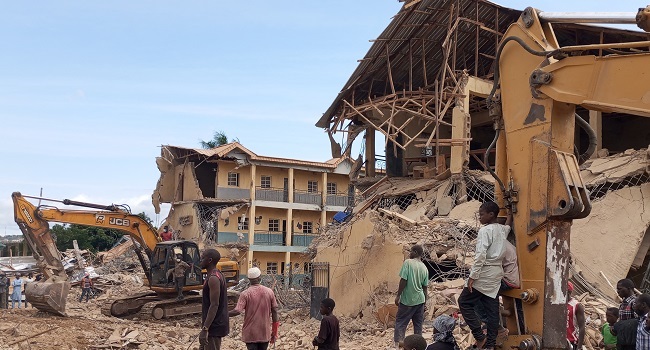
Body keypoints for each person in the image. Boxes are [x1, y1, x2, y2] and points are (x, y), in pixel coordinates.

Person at [458, 201, 509, 350]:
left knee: (464, 302)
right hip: (496, 275)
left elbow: (480, 255)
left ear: (491, 215)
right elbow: (508, 226)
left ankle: (480, 337)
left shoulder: (485, 231)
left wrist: (473, 276)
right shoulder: (502, 229)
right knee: (492, 311)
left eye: (481, 214)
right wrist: (510, 216)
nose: (479, 217)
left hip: (484, 274)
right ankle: (490, 345)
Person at [229, 267, 279, 350]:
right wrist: (274, 331)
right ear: (260, 277)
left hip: (250, 333)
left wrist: (223, 314)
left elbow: (237, 310)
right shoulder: (269, 292)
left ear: (249, 279)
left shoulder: (245, 294)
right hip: (264, 331)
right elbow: (275, 311)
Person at [394, 244, 429, 348]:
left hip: (408, 300)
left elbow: (403, 280)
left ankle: (399, 346)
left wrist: (398, 295)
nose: (410, 253)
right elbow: (425, 287)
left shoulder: (408, 263)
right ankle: (418, 347)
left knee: (401, 323)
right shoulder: (424, 267)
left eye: (411, 251)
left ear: (416, 253)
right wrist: (425, 302)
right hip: (420, 300)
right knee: (418, 326)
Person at [199, 249, 229, 350]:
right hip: (211, 325)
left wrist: (205, 328)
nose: (200, 260)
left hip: (214, 326)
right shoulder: (216, 275)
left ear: (210, 260)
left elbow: (214, 305)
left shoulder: (213, 278)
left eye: (202, 258)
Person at [612, 279, 639, 350]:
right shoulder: (624, 303)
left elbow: (638, 322)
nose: (618, 291)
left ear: (628, 289)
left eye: (620, 289)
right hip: (623, 340)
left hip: (630, 342)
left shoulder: (634, 303)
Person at [566, 281, 586, 350]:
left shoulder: (576, 305)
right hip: (558, 339)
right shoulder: (558, 304)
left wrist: (579, 346)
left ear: (569, 292)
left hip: (571, 341)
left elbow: (582, 326)